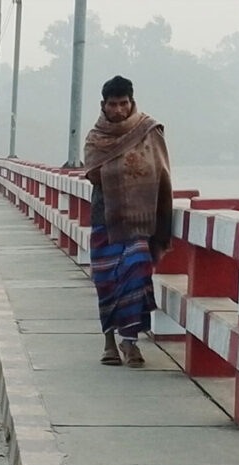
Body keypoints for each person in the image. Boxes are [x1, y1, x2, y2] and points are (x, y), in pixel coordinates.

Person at [83, 75, 173, 368]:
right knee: (106, 281)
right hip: (104, 218)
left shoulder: (149, 130)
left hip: (138, 220)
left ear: (132, 102)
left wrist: (121, 169)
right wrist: (127, 169)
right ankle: (109, 342)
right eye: (113, 105)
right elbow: (94, 171)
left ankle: (130, 342)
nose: (119, 110)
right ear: (103, 105)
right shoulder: (96, 138)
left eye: (124, 104)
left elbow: (160, 172)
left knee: (136, 274)